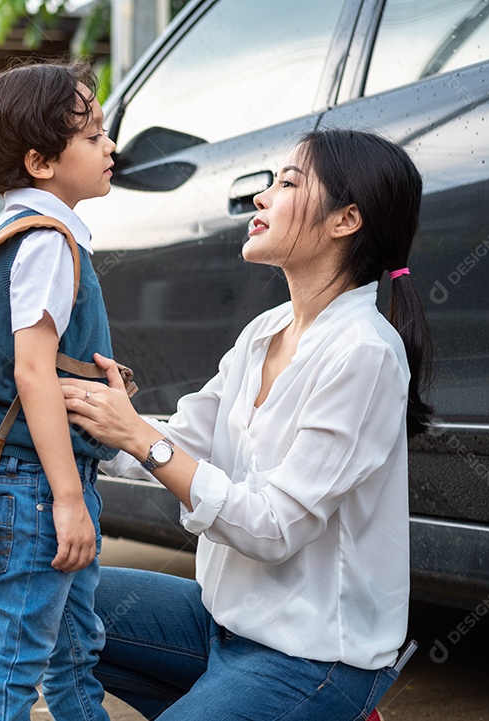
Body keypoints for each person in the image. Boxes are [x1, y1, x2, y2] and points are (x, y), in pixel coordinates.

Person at [61, 129, 433, 720]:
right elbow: (178, 437)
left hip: (313, 660)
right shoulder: (265, 332)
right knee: (54, 606)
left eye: (288, 183)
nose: (261, 198)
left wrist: (139, 436)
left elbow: (272, 527)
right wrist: (79, 410)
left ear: (346, 220)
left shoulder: (364, 353)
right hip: (222, 625)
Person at [0, 60, 118, 720]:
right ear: (40, 159)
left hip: (44, 478)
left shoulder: (25, 235)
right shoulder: (47, 242)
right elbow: (33, 371)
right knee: (16, 661)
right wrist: (67, 499)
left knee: (75, 649)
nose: (110, 147)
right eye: (93, 135)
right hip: (37, 485)